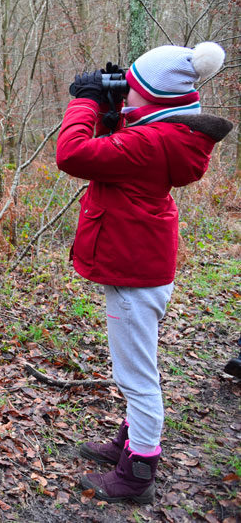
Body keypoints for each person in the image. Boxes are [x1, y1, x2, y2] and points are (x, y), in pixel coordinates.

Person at [56, 42, 233, 504]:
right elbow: (120, 148)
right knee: (137, 368)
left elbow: (73, 154)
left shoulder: (151, 142)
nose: (124, 95)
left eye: (131, 90)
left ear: (154, 101)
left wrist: (87, 102)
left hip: (134, 271)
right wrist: (114, 108)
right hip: (141, 261)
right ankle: (127, 441)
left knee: (136, 377)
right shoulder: (168, 134)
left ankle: (137, 471)